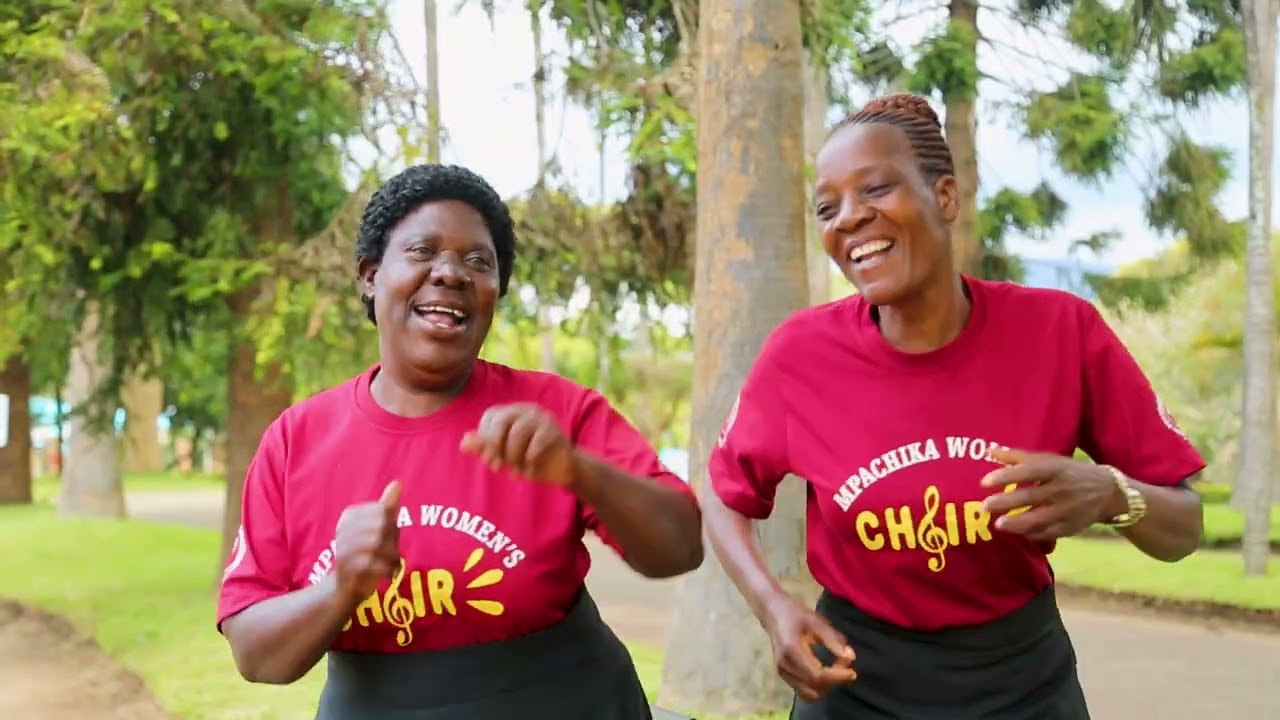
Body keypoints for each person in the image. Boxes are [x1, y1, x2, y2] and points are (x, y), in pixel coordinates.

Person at [704, 93, 1206, 720]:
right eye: (828, 208)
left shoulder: (1060, 332)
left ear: (945, 197)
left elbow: (1184, 528)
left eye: (875, 190)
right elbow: (726, 497)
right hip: (855, 684)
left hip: (1021, 687)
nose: (850, 219)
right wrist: (772, 606)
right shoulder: (799, 355)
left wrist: (1110, 494)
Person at [216, 164, 704, 720]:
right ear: (371, 275)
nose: (450, 272)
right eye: (423, 251)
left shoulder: (555, 414)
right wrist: (340, 588)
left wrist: (580, 471)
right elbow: (255, 655)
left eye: (479, 261)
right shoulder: (296, 441)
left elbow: (681, 547)